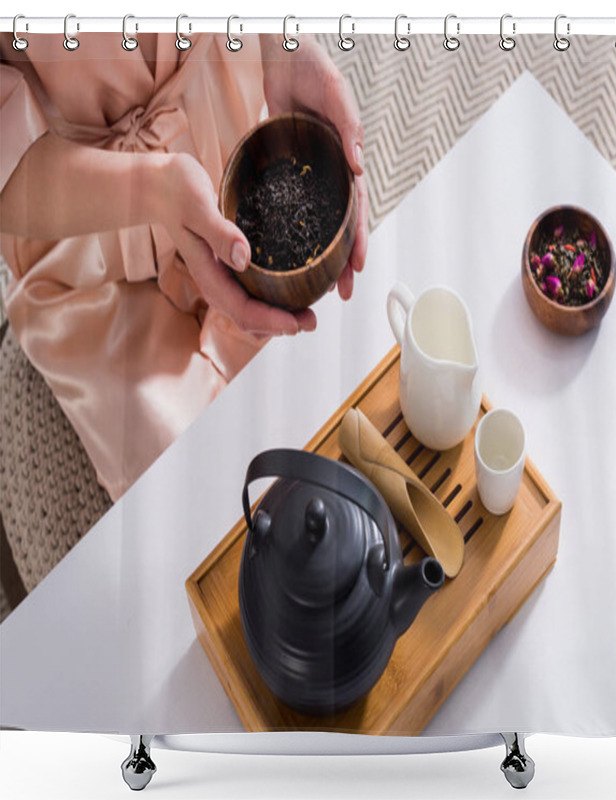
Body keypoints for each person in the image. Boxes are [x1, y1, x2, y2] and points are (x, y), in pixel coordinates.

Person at [0, 33, 368, 501]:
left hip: (233, 134)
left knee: (346, 384)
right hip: (82, 237)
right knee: (193, 489)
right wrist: (155, 191)